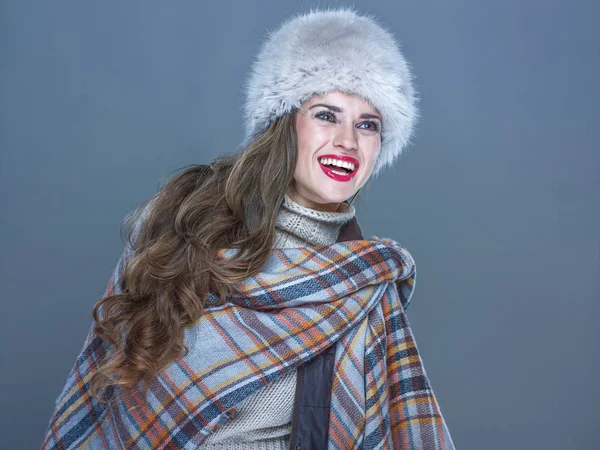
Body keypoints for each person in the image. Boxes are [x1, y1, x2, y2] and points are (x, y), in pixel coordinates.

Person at [43, 8, 456, 450]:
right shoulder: (181, 226)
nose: (348, 141)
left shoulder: (365, 284)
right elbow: (112, 400)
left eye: (368, 125)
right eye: (326, 115)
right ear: (283, 123)